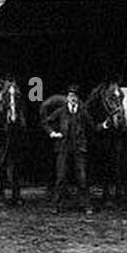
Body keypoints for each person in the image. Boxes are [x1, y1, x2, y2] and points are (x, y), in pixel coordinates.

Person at [48, 85, 94, 214]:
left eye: (75, 96)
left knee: (82, 177)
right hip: (63, 148)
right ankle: (56, 205)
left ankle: (85, 205)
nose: (73, 99)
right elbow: (47, 122)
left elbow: (92, 126)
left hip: (79, 148)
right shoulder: (61, 111)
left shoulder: (83, 112)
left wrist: (103, 125)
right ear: (67, 98)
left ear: (78, 98)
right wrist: (52, 133)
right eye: (71, 96)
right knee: (61, 177)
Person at [0, 79, 27, 207]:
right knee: (1, 164)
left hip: (15, 135)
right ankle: (1, 193)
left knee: (16, 163)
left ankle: (16, 193)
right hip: (3, 138)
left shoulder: (20, 110)